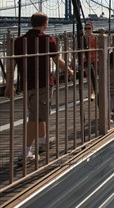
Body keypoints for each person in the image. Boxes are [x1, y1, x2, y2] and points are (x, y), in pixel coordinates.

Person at [4, 12, 74, 164]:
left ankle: (43, 141)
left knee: (38, 113)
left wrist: (10, 85)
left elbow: (12, 65)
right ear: (45, 23)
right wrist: (69, 71)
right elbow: (57, 60)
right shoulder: (48, 39)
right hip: (42, 83)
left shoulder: (19, 41)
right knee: (35, 117)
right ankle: (25, 153)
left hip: (26, 84)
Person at [82, 21, 98, 101]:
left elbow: (98, 48)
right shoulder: (83, 38)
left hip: (94, 59)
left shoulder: (95, 37)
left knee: (94, 75)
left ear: (92, 29)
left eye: (89, 28)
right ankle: (91, 93)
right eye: (85, 28)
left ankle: (95, 91)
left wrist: (96, 56)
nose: (87, 30)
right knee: (88, 77)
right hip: (86, 59)